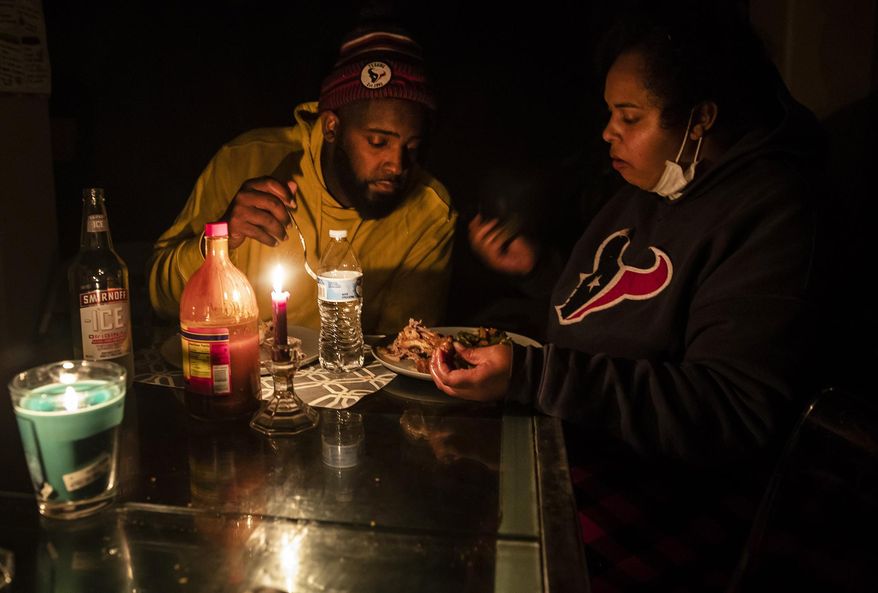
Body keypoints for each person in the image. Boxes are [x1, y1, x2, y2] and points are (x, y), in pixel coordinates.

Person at [431, 5, 825, 591]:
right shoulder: (652, 185)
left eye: (629, 116)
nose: (607, 132)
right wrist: (542, 273)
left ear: (699, 119)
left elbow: (732, 408)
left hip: (661, 496)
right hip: (575, 442)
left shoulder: (771, 215)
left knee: (477, 557)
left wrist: (538, 377)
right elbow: (622, 313)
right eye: (610, 112)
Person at [148, 24, 456, 335]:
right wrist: (219, 242)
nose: (397, 164)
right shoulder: (245, 160)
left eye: (412, 147)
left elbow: (404, 351)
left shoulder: (429, 212)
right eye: (378, 142)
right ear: (332, 127)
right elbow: (161, 301)